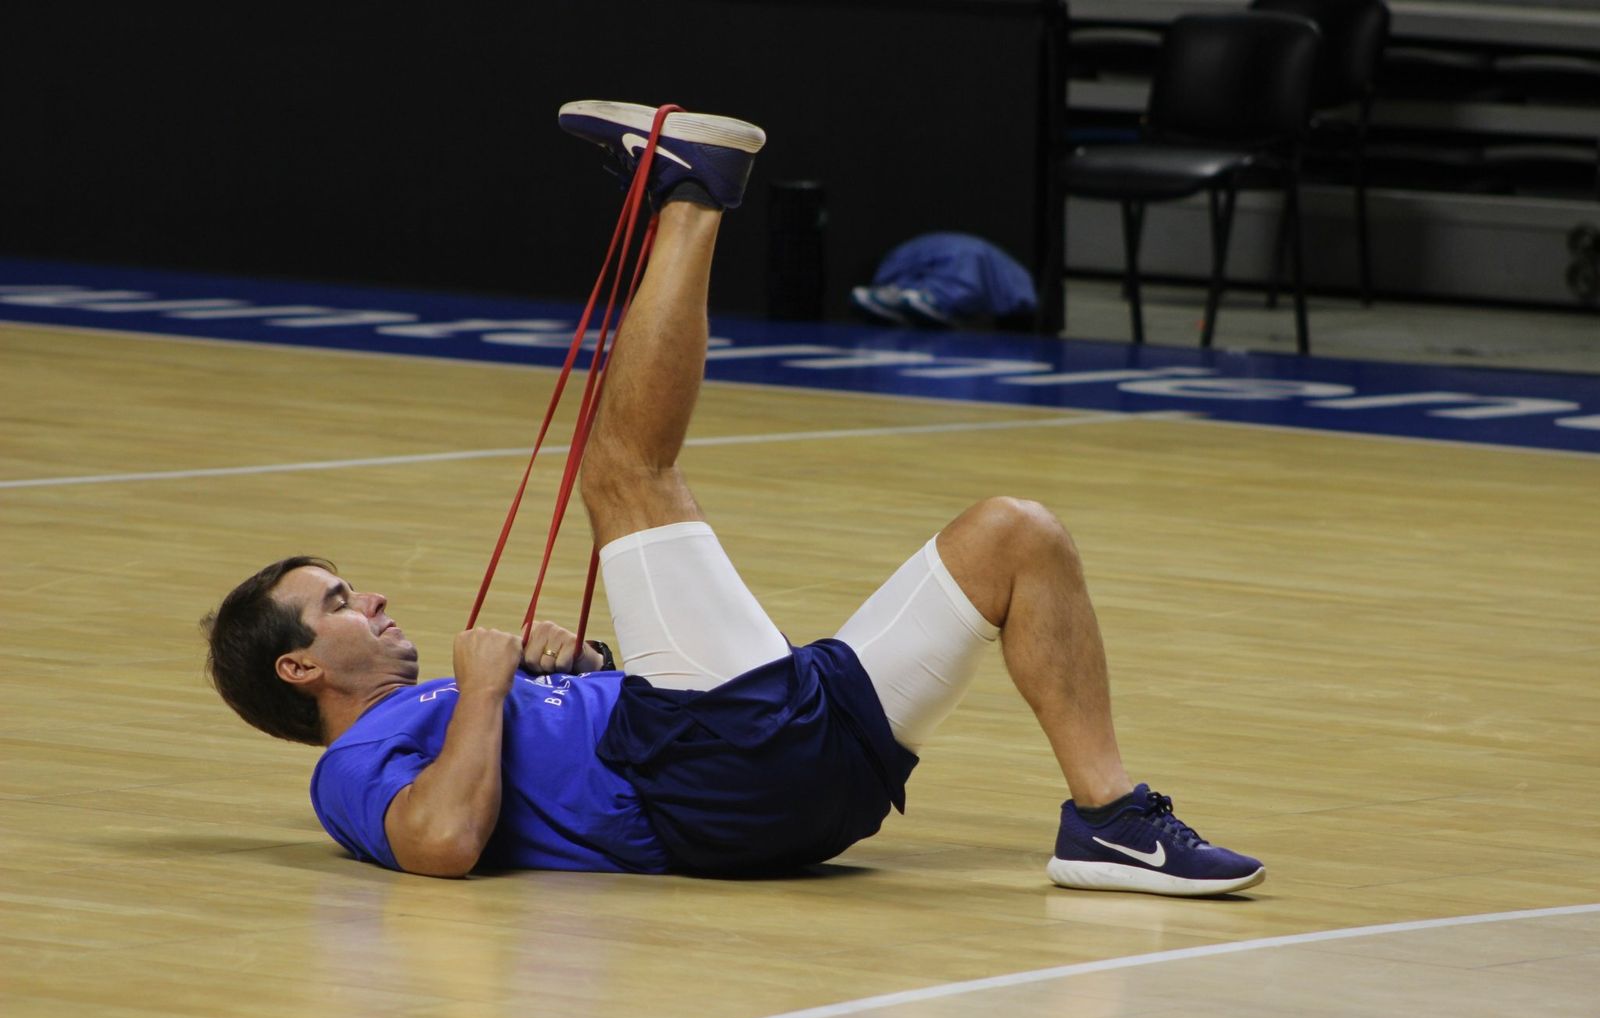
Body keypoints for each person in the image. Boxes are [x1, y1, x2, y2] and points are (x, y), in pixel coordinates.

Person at [203, 100, 1265, 897]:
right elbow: (438, 843)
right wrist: (484, 692)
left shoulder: (433, 710)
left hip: (788, 767)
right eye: (337, 600)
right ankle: (692, 191)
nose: (372, 600)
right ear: (298, 667)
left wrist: (577, 673)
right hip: (709, 782)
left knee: (1012, 536)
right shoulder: (348, 766)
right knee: (622, 474)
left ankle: (1111, 820)